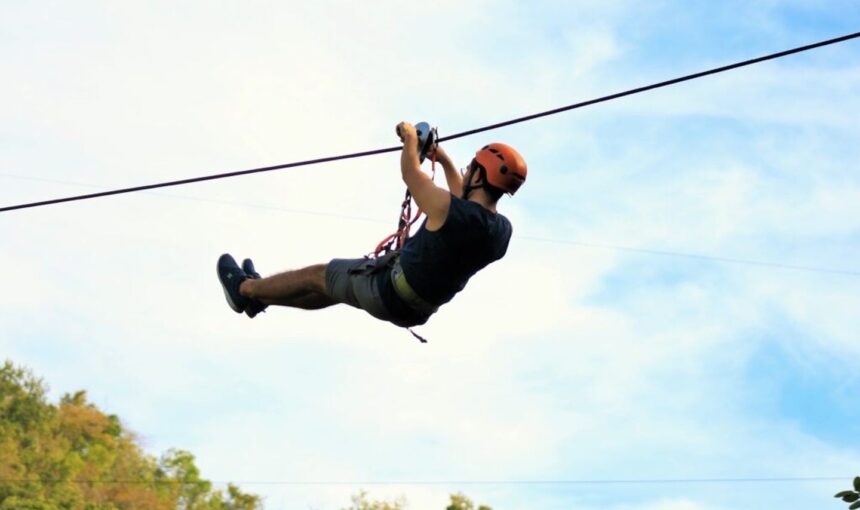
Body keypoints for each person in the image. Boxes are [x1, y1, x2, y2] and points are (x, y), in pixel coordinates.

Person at [216, 121, 527, 331]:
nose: (466, 169)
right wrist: (442, 158)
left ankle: (244, 289)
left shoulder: (448, 209)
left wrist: (409, 139)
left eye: (471, 167)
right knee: (330, 289)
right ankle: (261, 297)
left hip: (388, 289)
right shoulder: (501, 234)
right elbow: (465, 203)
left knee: (319, 276)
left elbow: (411, 173)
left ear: (478, 175)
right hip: (416, 311)